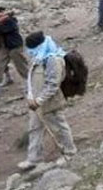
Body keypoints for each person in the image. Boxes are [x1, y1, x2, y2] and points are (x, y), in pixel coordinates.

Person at [18, 32, 77, 171]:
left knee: (59, 127)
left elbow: (53, 84)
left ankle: (69, 152)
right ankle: (34, 159)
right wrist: (30, 96)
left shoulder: (53, 60)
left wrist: (39, 100)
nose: (29, 52)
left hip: (49, 102)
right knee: (35, 129)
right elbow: (31, 79)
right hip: (36, 103)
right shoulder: (38, 58)